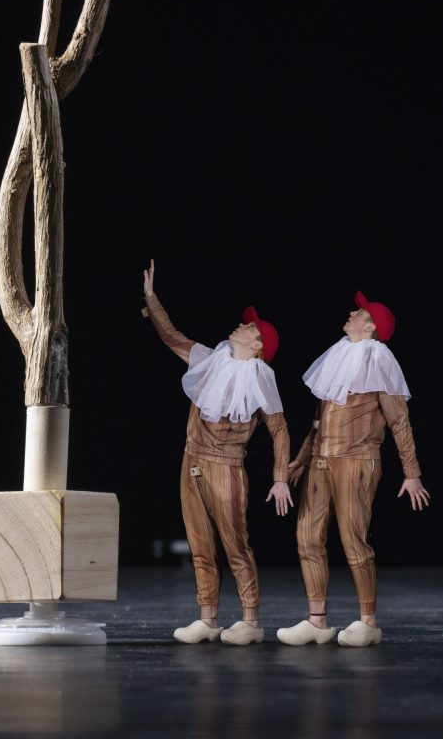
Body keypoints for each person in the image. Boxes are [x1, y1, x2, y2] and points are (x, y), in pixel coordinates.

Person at [142, 259, 292, 646]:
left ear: (257, 345)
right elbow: (172, 337)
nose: (242, 324)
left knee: (235, 544)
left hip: (226, 467)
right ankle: (207, 618)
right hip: (191, 459)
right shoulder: (212, 360)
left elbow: (279, 430)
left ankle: (250, 620)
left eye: (250, 327)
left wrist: (279, 479)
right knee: (199, 544)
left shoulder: (261, 377)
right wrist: (151, 299)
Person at [277, 289, 430, 648]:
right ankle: (317, 620)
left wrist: (412, 472)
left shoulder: (379, 360)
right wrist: (301, 459)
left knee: (353, 538)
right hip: (321, 460)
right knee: (307, 537)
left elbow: (400, 421)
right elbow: (319, 421)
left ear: (371, 326)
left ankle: (368, 622)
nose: (352, 312)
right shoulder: (339, 356)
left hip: (357, 459)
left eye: (359, 311)